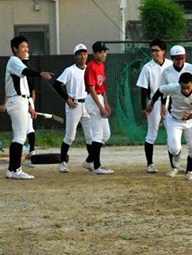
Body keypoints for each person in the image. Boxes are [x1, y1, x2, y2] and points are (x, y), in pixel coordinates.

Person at [4, 36, 52, 179]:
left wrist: (30, 106)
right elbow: (26, 71)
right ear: (15, 49)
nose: (27, 49)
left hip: (22, 101)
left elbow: (25, 85)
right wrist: (40, 74)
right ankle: (15, 170)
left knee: (19, 136)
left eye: (27, 46)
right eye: (23, 46)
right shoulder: (13, 61)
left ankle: (12, 170)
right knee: (19, 137)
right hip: (17, 101)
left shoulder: (19, 62)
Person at [146, 72, 192, 181]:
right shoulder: (173, 88)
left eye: (188, 87)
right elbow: (160, 90)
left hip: (191, 122)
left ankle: (189, 172)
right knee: (174, 148)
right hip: (174, 120)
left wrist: (190, 115)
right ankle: (176, 160)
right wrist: (151, 104)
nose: (186, 90)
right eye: (183, 87)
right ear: (179, 84)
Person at [161, 44, 192, 175]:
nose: (180, 61)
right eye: (177, 58)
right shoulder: (166, 72)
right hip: (175, 111)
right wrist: (162, 105)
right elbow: (163, 90)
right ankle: (174, 167)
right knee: (173, 144)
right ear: (171, 58)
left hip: (190, 112)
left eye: (182, 58)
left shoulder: (191, 68)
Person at [53, 43, 94, 173]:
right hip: (74, 104)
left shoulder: (89, 69)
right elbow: (57, 84)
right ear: (76, 56)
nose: (83, 56)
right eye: (80, 54)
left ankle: (90, 161)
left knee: (91, 136)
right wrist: (67, 99)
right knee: (70, 136)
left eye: (85, 53)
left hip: (87, 104)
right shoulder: (70, 70)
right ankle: (63, 162)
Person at [136, 38, 173, 173]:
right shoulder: (148, 67)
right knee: (152, 133)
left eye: (157, 50)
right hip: (154, 103)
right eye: (152, 51)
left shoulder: (170, 64)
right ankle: (150, 164)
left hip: (170, 101)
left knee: (172, 133)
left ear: (163, 51)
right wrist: (144, 108)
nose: (154, 53)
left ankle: (173, 164)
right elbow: (143, 89)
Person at [84, 41, 114, 175]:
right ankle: (97, 166)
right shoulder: (91, 66)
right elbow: (91, 89)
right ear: (95, 53)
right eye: (101, 52)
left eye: (105, 51)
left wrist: (106, 104)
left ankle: (90, 160)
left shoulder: (101, 65)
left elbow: (103, 87)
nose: (104, 54)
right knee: (98, 133)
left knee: (106, 134)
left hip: (100, 97)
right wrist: (100, 106)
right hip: (93, 99)